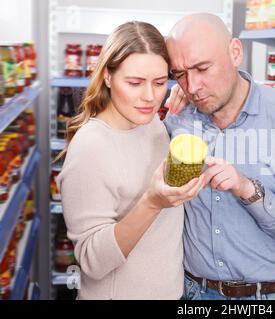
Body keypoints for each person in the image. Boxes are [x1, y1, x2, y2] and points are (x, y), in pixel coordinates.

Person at [164, 13, 275, 300]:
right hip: (194, 292)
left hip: (273, 295)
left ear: (235, 53)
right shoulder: (179, 117)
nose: (193, 86)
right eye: (180, 74)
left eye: (202, 68)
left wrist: (247, 189)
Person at [56, 21, 206, 300]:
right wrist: (151, 203)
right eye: (135, 83)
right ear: (108, 77)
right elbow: (91, 261)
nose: (149, 97)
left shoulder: (151, 123)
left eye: (160, 82)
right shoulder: (91, 147)